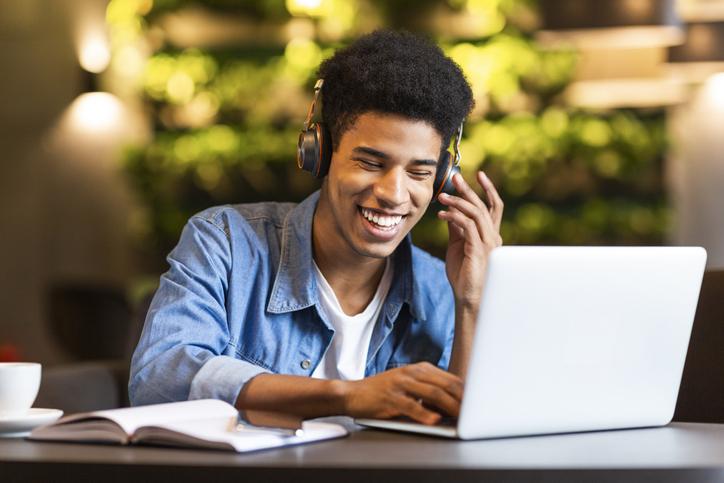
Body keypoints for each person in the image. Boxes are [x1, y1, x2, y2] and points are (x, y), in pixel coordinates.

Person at [129, 30, 503, 425]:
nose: (394, 194)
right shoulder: (224, 243)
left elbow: (462, 435)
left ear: (441, 178)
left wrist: (474, 301)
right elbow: (158, 379)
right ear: (320, 154)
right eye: (371, 163)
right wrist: (347, 397)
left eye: (419, 172)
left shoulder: (441, 289)